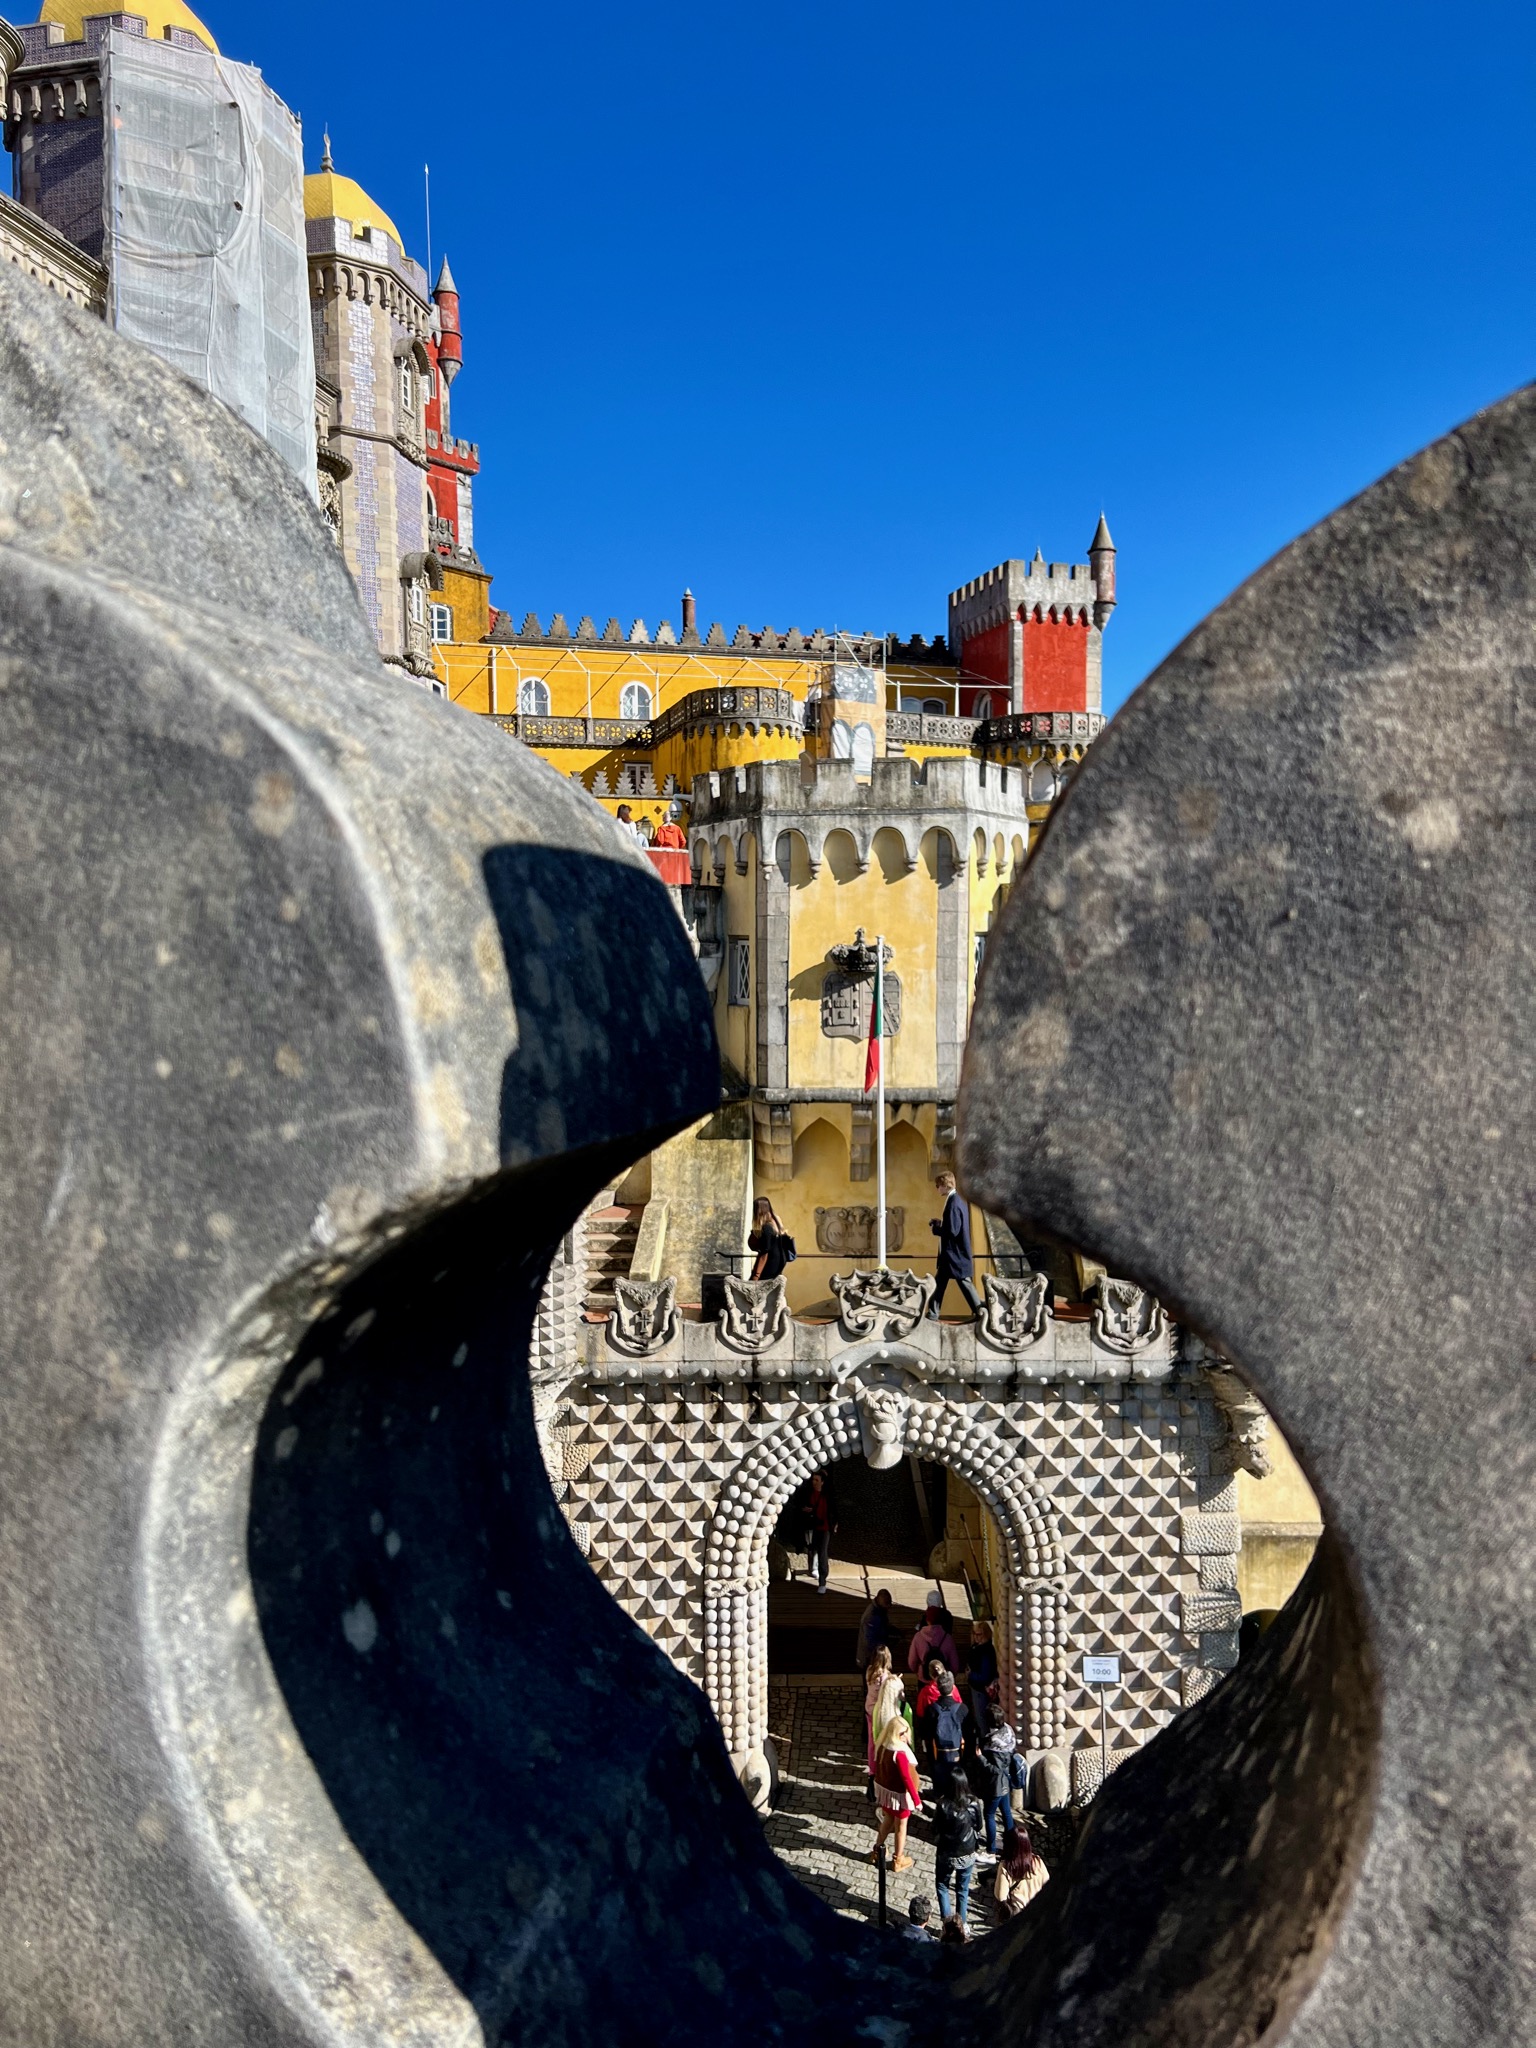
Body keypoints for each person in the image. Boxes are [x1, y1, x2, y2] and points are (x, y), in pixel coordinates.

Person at [931, 1774, 984, 1931]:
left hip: (947, 1853)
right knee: (962, 1889)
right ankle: (963, 1924)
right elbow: (979, 1825)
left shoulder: (942, 1805)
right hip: (967, 1851)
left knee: (942, 1885)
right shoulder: (973, 1803)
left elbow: (934, 1828)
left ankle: (948, 1925)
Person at [870, 1711, 921, 1872]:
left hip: (886, 1793)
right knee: (901, 1827)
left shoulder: (882, 1746)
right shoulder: (899, 1754)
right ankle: (898, 1859)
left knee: (887, 1820)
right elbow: (907, 1778)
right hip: (899, 1795)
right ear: (900, 1733)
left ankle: (877, 1850)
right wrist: (916, 1800)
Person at [926, 1171, 981, 1320]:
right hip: (952, 1255)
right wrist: (940, 1223)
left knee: (964, 1283)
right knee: (940, 1283)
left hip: (954, 1255)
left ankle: (980, 1312)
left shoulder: (954, 1202)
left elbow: (953, 1230)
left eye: (938, 1185)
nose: (937, 1188)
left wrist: (936, 1229)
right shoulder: (958, 1200)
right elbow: (954, 1226)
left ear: (944, 1185)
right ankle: (933, 1312)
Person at [976, 1718, 1020, 1854]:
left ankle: (991, 1848)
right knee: (1006, 1812)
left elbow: (995, 1769)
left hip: (995, 1786)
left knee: (989, 1815)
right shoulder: (1008, 1732)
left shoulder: (994, 1744)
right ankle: (1012, 1843)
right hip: (1005, 1781)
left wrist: (980, 1757)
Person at [921, 1669, 969, 1784]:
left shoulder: (931, 1709)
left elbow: (926, 1733)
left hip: (938, 1752)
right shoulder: (962, 1709)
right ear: (953, 1687)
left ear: (938, 1688)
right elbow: (968, 1733)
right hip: (957, 1752)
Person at [993, 1825, 1050, 1917]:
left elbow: (1000, 1896)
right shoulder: (1037, 1861)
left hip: (1018, 1913)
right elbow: (1047, 1884)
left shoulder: (1006, 1866)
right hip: (1037, 1910)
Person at [798, 1470, 836, 1592]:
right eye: (813, 1480)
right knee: (811, 1547)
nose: (814, 1482)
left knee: (822, 1552)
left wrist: (834, 1523)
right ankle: (812, 1568)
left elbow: (833, 1510)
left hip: (825, 1527)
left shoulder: (828, 1495)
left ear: (823, 1482)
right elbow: (801, 1505)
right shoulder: (808, 1493)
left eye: (817, 1480)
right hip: (811, 1526)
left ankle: (822, 1581)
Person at [964, 1618, 999, 1740]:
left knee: (982, 1719)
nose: (976, 1637)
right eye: (974, 1633)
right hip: (976, 1688)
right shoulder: (977, 1647)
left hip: (981, 1690)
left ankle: (985, 1744)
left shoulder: (985, 1651)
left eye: (979, 1634)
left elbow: (985, 1675)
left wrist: (970, 1675)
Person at [907, 1596, 959, 1676]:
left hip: (924, 1676)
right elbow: (954, 1665)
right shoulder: (948, 1638)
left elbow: (912, 1662)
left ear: (927, 1620)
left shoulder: (918, 1637)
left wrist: (918, 1671)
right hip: (942, 1677)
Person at [913, 1656, 947, 1774]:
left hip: (931, 1729)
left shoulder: (926, 1692)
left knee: (932, 1754)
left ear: (930, 1674)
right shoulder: (952, 1689)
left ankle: (934, 1769)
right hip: (948, 1729)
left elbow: (920, 1712)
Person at [748, 1196, 794, 1281]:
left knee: (758, 1288)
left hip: (770, 1263)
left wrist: (756, 1275)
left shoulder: (767, 1227)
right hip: (779, 1260)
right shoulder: (776, 1222)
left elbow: (765, 1252)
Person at [856, 1587, 893, 1672]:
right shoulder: (872, 1617)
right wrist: (884, 1650)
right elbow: (870, 1640)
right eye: (887, 1604)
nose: (889, 1606)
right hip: (870, 1657)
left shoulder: (879, 1610)